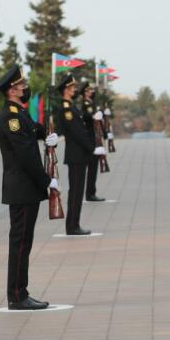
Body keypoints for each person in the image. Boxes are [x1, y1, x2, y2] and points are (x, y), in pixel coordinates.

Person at [0, 64, 60, 310]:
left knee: (24, 242)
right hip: (22, 188)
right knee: (20, 243)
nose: (25, 88)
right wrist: (47, 180)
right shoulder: (11, 117)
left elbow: (31, 128)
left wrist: (46, 134)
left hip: (24, 189)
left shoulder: (19, 113)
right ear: (12, 91)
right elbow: (25, 154)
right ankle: (17, 295)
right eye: (21, 86)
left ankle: (20, 292)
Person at [56, 73, 99, 235]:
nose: (75, 89)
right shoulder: (66, 108)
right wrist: (91, 147)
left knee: (77, 191)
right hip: (76, 154)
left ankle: (74, 224)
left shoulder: (70, 106)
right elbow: (77, 132)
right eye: (72, 87)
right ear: (66, 90)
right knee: (75, 191)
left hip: (78, 154)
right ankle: (72, 226)